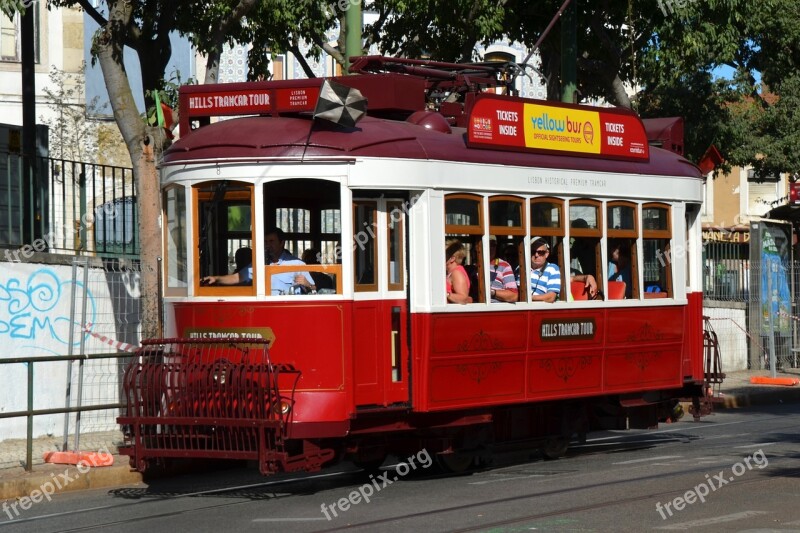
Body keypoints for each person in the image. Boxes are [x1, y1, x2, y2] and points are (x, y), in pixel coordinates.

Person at [527, 237, 561, 302]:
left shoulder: (552, 269)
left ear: (546, 254)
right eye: (533, 252)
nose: (536, 255)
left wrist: (528, 298)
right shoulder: (520, 268)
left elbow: (551, 297)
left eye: (540, 252)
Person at [488, 235, 518, 303]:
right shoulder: (476, 267)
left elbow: (514, 296)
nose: (490, 248)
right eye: (487, 244)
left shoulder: (504, 266)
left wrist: (492, 292)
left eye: (493, 245)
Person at [445, 239, 472, 304]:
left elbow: (463, 298)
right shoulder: (451, 272)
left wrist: (445, 295)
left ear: (452, 258)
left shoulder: (456, 273)